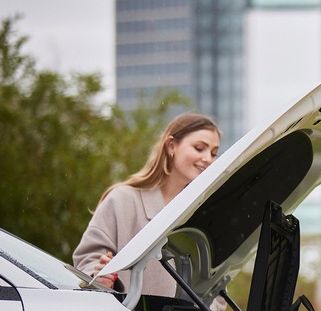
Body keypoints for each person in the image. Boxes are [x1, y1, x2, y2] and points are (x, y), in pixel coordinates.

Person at [74, 112, 220, 296]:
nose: (208, 158)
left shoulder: (204, 215)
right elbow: (87, 262)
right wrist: (100, 277)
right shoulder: (122, 200)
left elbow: (216, 283)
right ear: (171, 145)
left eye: (214, 153)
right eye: (200, 148)